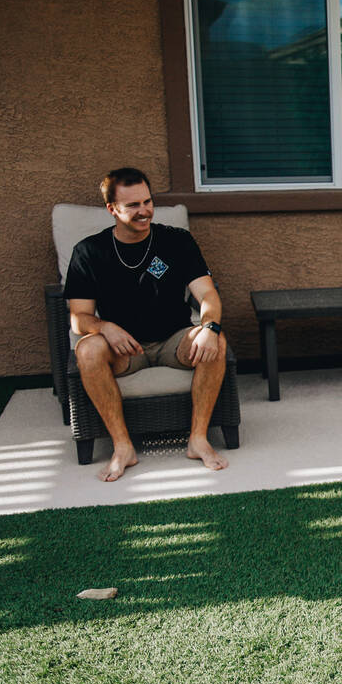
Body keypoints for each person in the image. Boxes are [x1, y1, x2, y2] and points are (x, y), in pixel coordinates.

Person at [64, 167, 230, 481]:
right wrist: (105, 328)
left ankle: (198, 439)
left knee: (216, 340)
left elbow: (207, 293)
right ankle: (123, 447)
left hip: (174, 341)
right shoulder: (89, 252)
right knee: (86, 349)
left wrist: (209, 327)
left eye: (147, 201)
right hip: (124, 349)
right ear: (112, 209)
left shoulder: (176, 241)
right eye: (133, 206)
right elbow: (78, 317)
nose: (144, 211)